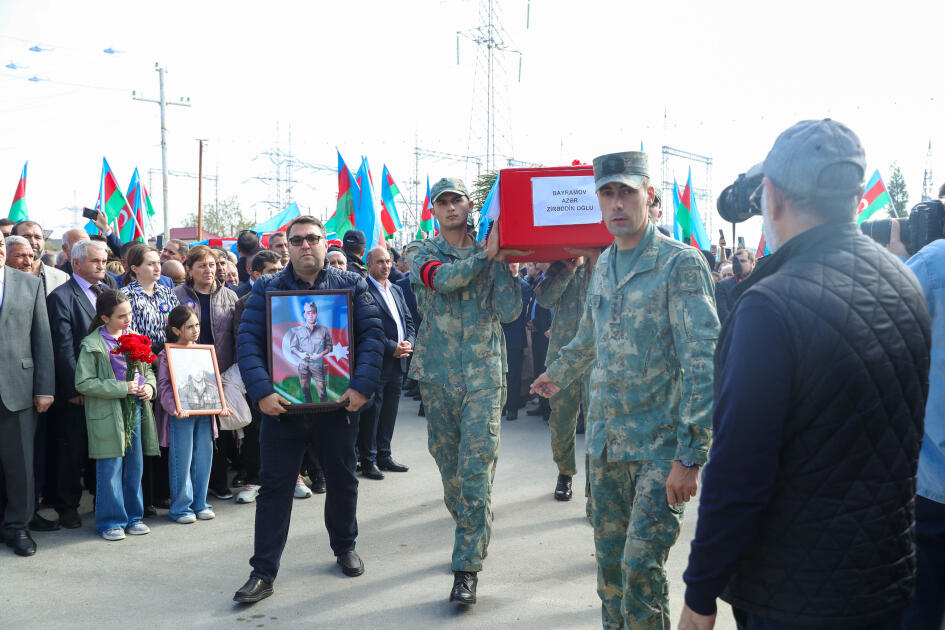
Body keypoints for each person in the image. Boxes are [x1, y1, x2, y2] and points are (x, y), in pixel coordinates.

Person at [678, 119, 931, 630]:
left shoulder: (770, 305)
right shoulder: (905, 283)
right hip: (885, 580)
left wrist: (700, 595)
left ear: (770, 197)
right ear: (855, 198)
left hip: (797, 596)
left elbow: (738, 473)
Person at [531, 150, 719, 630]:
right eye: (607, 193)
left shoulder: (680, 264)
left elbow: (702, 363)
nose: (616, 203)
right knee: (610, 571)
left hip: (660, 449)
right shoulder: (606, 262)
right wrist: (559, 372)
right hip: (607, 446)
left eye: (627, 192)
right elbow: (590, 339)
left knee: (641, 569)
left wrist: (690, 455)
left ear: (649, 197)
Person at [233, 215, 384, 604]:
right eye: (297, 240)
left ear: (323, 243)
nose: (305, 246)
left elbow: (371, 337)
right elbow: (247, 341)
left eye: (312, 239)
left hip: (337, 407)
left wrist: (361, 387)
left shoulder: (352, 284)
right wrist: (263, 391)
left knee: (343, 480)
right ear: (287, 245)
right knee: (275, 490)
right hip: (281, 410)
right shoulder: (267, 288)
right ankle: (262, 571)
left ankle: (344, 547)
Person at [405, 177, 526, 605]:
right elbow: (445, 281)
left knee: (476, 470)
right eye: (443, 202)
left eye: (457, 199)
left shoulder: (491, 250)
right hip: (437, 377)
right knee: (449, 467)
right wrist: (485, 256)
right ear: (433, 210)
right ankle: (472, 524)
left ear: (470, 205)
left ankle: (466, 566)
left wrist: (504, 266)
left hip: (483, 376)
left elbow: (510, 311)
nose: (451, 207)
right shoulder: (420, 252)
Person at [74, 290, 159, 541]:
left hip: (135, 410)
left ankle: (134, 517)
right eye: (121, 316)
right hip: (107, 413)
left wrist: (149, 388)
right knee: (110, 467)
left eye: (130, 314)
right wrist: (123, 388)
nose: (128, 319)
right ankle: (110, 521)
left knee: (135, 466)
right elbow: (83, 382)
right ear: (104, 317)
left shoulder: (135, 337)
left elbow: (148, 371)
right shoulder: (92, 344)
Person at [47, 238, 113, 530]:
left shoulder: (109, 292)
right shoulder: (61, 297)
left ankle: (104, 500)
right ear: (76, 263)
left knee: (102, 446)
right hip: (78, 391)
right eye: (95, 261)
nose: (102, 265)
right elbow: (63, 349)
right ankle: (68, 505)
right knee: (72, 449)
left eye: (103, 260)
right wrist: (77, 388)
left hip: (106, 388)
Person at [0, 236, 55, 557]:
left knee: (20, 464)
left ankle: (17, 526)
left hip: (18, 389)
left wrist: (44, 388)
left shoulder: (29, 284)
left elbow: (42, 338)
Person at [173, 245, 238, 501]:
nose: (209, 270)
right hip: (187, 371)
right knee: (190, 432)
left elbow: (235, 335)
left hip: (221, 370)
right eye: (202, 265)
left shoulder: (229, 296)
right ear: (189, 269)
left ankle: (219, 482)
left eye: (212, 265)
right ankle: (188, 488)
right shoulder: (176, 294)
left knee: (219, 430)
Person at [120, 245, 180, 517]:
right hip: (141, 365)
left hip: (169, 363)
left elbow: (178, 325)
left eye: (159, 263)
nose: (158, 268)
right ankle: (144, 498)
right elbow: (126, 333)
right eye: (151, 263)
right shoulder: (126, 295)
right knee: (145, 432)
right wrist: (152, 357)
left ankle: (163, 492)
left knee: (165, 429)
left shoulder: (168, 292)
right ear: (134, 268)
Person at [157, 305, 225, 524]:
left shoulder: (203, 351)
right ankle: (180, 507)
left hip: (205, 412)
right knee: (182, 460)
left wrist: (221, 403)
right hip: (181, 415)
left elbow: (212, 381)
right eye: (189, 327)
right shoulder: (167, 354)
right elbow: (164, 386)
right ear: (176, 330)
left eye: (197, 325)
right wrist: (174, 407)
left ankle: (200, 503)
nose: (195, 330)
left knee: (204, 458)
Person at [534, 256, 593, 501]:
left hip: (595, 359)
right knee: (561, 423)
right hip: (561, 360)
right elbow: (544, 298)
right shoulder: (560, 266)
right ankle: (565, 473)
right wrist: (569, 270)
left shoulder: (606, 263)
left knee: (597, 424)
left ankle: (595, 482)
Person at [358, 245, 415, 479]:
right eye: (380, 262)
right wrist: (392, 347)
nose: (386, 266)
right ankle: (368, 459)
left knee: (390, 411)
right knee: (373, 412)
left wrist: (410, 342)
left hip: (399, 361)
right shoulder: (364, 291)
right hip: (377, 361)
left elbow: (408, 321)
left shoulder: (397, 290)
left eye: (388, 261)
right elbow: (368, 328)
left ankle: (385, 454)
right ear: (369, 265)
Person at [232, 251, 284, 505]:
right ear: (255, 274)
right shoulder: (245, 302)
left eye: (280, 269)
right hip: (259, 376)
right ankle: (254, 479)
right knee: (256, 431)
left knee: (289, 428)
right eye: (272, 271)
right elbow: (243, 341)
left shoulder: (290, 295)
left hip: (288, 373)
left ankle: (292, 475)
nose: (278, 274)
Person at [501, 262, 533, 421]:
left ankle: (512, 408)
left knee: (513, 375)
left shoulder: (524, 286)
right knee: (499, 375)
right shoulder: (499, 283)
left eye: (513, 263)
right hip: (499, 336)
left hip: (514, 336)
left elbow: (519, 311)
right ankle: (501, 407)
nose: (510, 266)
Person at [288, 302, 333, 403]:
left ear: (316, 314)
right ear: (304, 315)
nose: (311, 315)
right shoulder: (299, 330)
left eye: (313, 313)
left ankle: (325, 411)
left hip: (317, 365)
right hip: (303, 366)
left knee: (322, 392)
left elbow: (329, 347)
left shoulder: (323, 330)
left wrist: (319, 355)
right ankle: (309, 411)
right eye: (308, 313)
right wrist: (300, 354)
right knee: (305, 391)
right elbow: (293, 347)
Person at [11, 220, 70, 294]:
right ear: (13, 239)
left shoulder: (62, 278)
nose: (33, 242)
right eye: (26, 236)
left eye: (38, 237)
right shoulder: (3, 274)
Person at [714, 247, 755, 324]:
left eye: (743, 261)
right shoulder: (722, 286)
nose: (738, 264)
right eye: (736, 261)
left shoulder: (761, 283)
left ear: (753, 264)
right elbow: (723, 314)